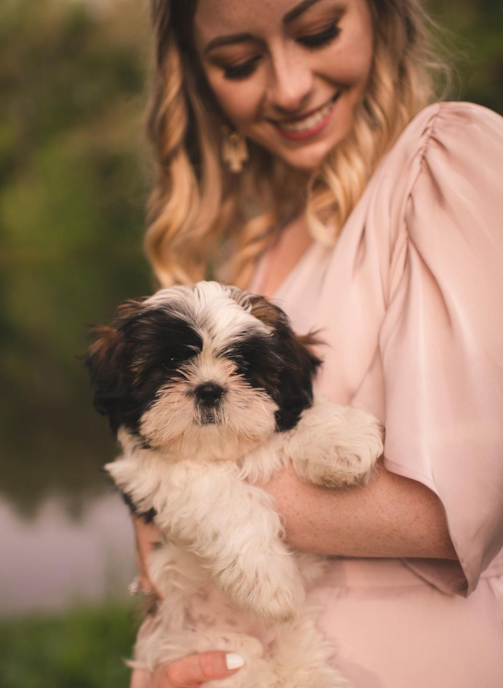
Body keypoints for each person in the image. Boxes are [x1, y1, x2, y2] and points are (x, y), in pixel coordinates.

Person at [128, 0, 503, 685]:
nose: (291, 86)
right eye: (240, 62)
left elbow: (461, 507)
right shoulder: (252, 247)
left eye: (319, 31)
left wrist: (175, 485)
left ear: (382, 16)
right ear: (198, 76)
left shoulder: (453, 158)